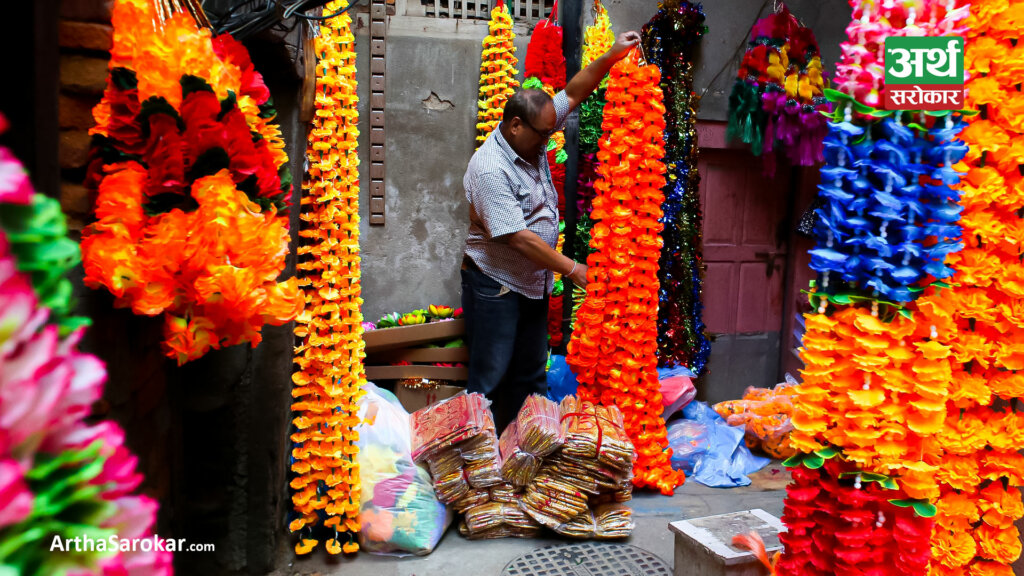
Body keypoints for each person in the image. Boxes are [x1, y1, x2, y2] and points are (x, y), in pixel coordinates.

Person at [460, 31, 643, 432]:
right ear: (514, 125)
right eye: (543, 134)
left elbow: (574, 92)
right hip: (498, 283)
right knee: (489, 381)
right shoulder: (491, 167)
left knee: (530, 377)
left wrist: (612, 55)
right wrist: (572, 268)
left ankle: (528, 453)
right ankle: (481, 465)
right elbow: (518, 237)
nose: (549, 140)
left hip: (533, 284)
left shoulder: (535, 129)